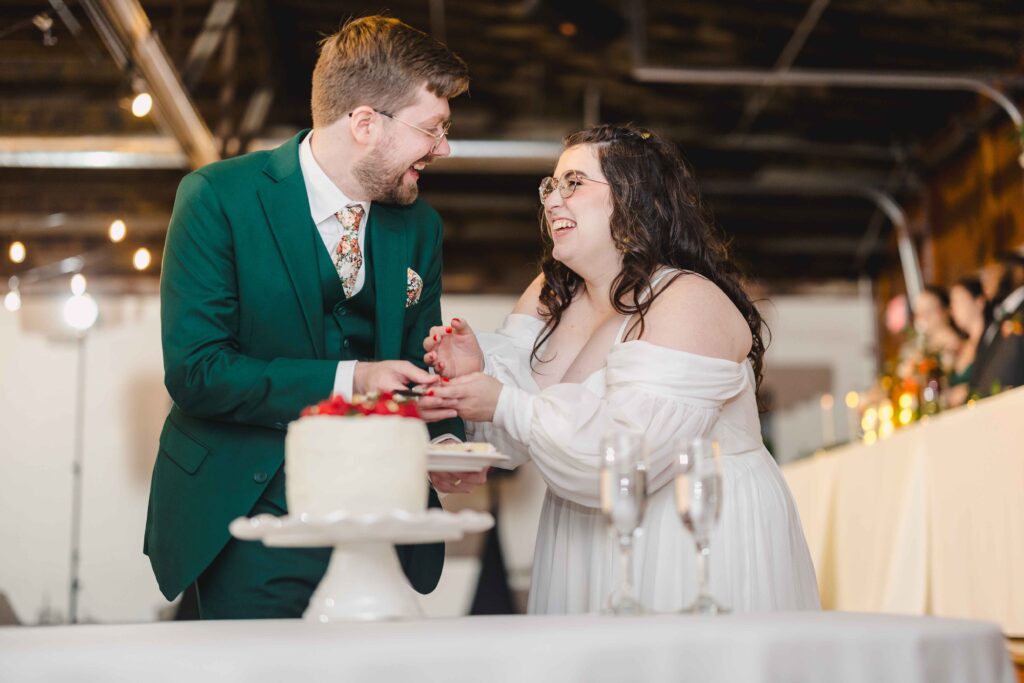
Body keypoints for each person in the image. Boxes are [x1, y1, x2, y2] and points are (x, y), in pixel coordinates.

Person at [146, 16, 478, 619]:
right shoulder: (216, 199)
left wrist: (445, 442)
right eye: (433, 129)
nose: (444, 149)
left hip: (377, 518)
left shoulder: (420, 226)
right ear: (364, 123)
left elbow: (414, 368)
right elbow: (198, 371)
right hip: (246, 513)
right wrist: (352, 379)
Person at [423, 124, 819, 614]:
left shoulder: (686, 300)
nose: (551, 201)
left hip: (686, 534)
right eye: (550, 186)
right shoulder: (553, 292)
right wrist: (473, 378)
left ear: (635, 198)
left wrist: (501, 399)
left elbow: (624, 459)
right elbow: (511, 438)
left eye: (574, 183)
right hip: (582, 533)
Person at [971, 252, 1024, 397]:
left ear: (1017, 272)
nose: (986, 281)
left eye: (993, 273)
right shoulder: (998, 317)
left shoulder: (1020, 311)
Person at [946, 277, 989, 406]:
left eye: (959, 301)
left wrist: (967, 391)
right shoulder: (960, 346)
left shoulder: (992, 340)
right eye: (952, 303)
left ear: (979, 302)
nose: (953, 309)